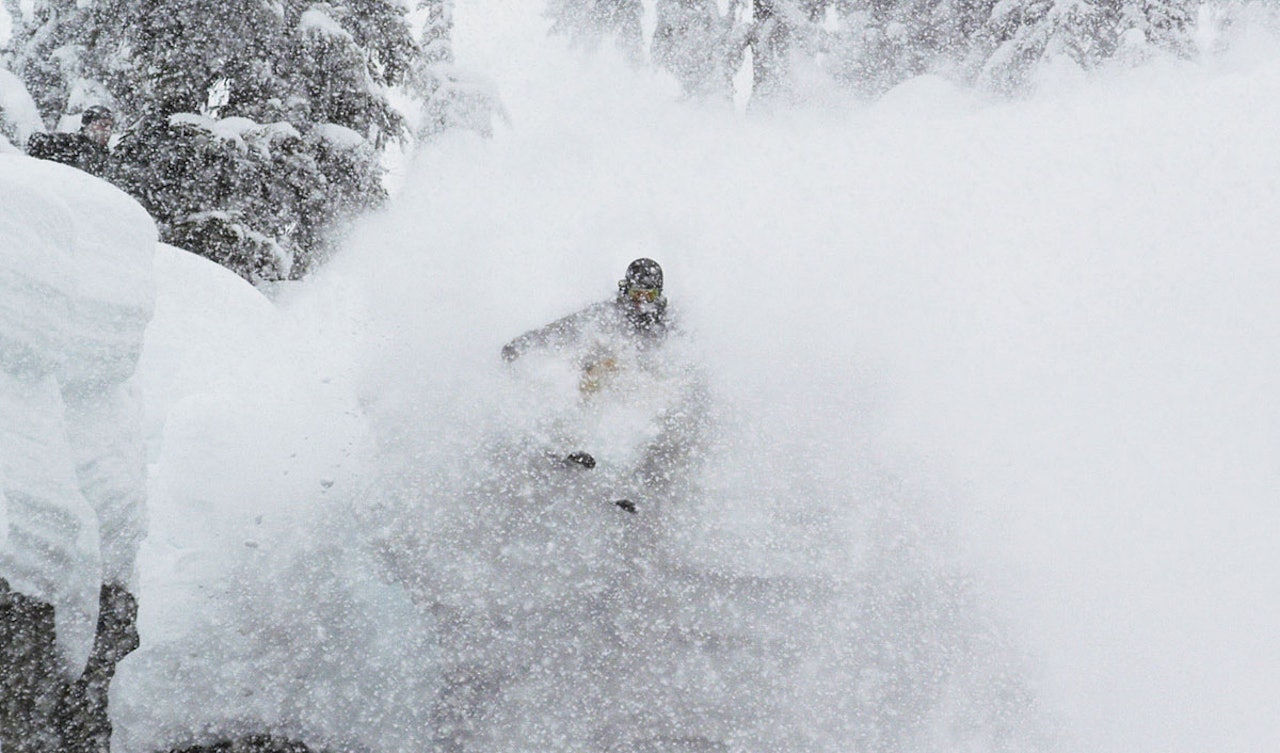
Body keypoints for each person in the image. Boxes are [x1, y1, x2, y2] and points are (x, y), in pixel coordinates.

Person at [501, 258, 671, 364]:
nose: (641, 302)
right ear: (626, 291)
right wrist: (522, 345)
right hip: (612, 384)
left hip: (650, 384)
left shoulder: (669, 321)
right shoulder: (609, 313)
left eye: (649, 295)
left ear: (658, 294)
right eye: (636, 294)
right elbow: (564, 329)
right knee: (602, 356)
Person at [25, 104, 115, 178]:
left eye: (111, 127)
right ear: (87, 125)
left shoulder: (106, 157)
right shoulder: (68, 142)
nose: (108, 130)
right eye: (103, 125)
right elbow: (37, 142)